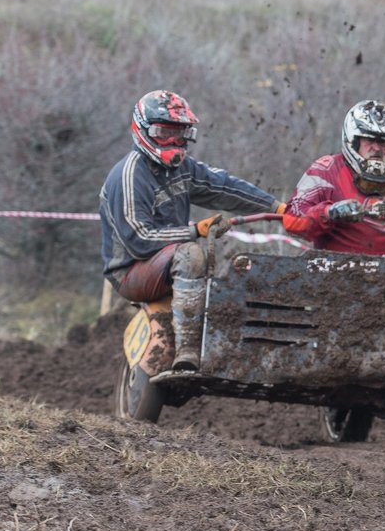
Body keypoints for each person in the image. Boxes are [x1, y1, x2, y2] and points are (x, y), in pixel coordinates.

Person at [99, 91, 286, 371]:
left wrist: (278, 208)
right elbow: (139, 239)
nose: (173, 141)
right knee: (191, 254)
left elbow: (223, 186)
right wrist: (195, 230)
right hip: (129, 268)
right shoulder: (130, 174)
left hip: (164, 261)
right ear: (144, 130)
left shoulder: (182, 169)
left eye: (180, 133)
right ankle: (187, 348)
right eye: (164, 132)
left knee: (228, 268)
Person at [285, 101, 385, 255]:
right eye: (369, 140)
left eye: (384, 141)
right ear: (353, 141)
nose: (376, 148)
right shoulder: (325, 170)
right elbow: (291, 220)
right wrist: (330, 213)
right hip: (333, 271)